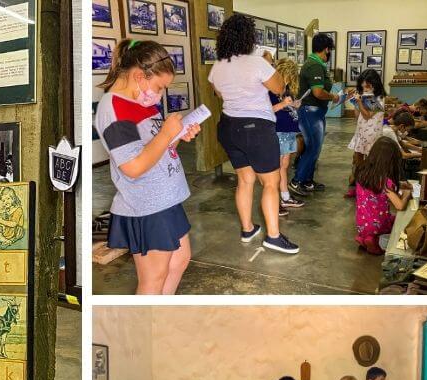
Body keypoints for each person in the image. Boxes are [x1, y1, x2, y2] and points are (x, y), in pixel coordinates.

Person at [94, 39, 199, 294]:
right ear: (140, 76)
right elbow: (132, 165)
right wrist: (166, 134)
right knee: (154, 277)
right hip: (145, 205)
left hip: (163, 199)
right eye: (159, 87)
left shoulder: (141, 102)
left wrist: (175, 136)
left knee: (179, 260)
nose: (159, 94)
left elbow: (151, 146)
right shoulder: (115, 109)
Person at [210, 14, 299, 254]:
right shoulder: (257, 63)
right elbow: (280, 88)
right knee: (270, 183)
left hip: (229, 127)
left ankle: (248, 229)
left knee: (245, 180)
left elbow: (219, 94)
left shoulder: (218, 65)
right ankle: (273, 236)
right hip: (256, 129)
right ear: (249, 38)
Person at [290, 33, 340, 197]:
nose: (330, 53)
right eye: (330, 50)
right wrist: (333, 96)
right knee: (312, 148)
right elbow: (318, 92)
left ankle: (307, 181)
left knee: (314, 149)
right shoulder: (314, 65)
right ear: (326, 49)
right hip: (310, 112)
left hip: (316, 112)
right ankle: (297, 181)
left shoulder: (316, 64)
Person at [354, 137, 410, 254]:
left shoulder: (362, 172)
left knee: (384, 221)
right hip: (379, 224)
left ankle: (364, 237)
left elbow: (374, 189)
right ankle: (373, 240)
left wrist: (399, 185)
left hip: (361, 223)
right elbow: (399, 206)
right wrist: (406, 194)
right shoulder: (385, 181)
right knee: (402, 221)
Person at [269, 58, 306, 212]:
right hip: (279, 131)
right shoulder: (271, 90)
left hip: (289, 131)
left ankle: (285, 197)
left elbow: (285, 106)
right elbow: (268, 109)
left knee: (284, 166)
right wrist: (284, 104)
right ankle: (276, 199)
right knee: (278, 167)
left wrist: (293, 104)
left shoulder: (285, 89)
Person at [345, 69, 386, 198]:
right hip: (361, 131)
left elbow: (368, 115)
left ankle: (365, 186)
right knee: (357, 158)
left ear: (374, 84)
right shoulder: (365, 96)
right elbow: (359, 116)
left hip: (371, 134)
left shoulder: (378, 98)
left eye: (367, 85)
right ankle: (356, 184)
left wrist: (358, 102)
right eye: (363, 85)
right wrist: (355, 102)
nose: (364, 87)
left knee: (369, 161)